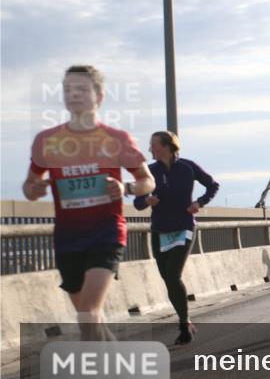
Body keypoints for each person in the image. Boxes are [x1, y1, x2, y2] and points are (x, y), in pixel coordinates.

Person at [23, 66, 154, 341]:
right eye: (68, 89)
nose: (74, 94)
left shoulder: (116, 139)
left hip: (107, 233)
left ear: (99, 96)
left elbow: (147, 181)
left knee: (89, 313)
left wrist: (125, 187)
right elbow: (30, 187)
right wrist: (33, 188)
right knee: (89, 319)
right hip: (67, 238)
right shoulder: (47, 141)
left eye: (81, 89)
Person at [134, 131, 219, 345]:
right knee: (168, 279)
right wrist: (147, 200)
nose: (150, 149)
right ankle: (185, 319)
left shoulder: (187, 167)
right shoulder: (150, 171)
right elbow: (137, 202)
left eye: (154, 145)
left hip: (184, 228)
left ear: (167, 146)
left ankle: (183, 323)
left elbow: (212, 185)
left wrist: (199, 203)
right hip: (160, 231)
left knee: (173, 276)